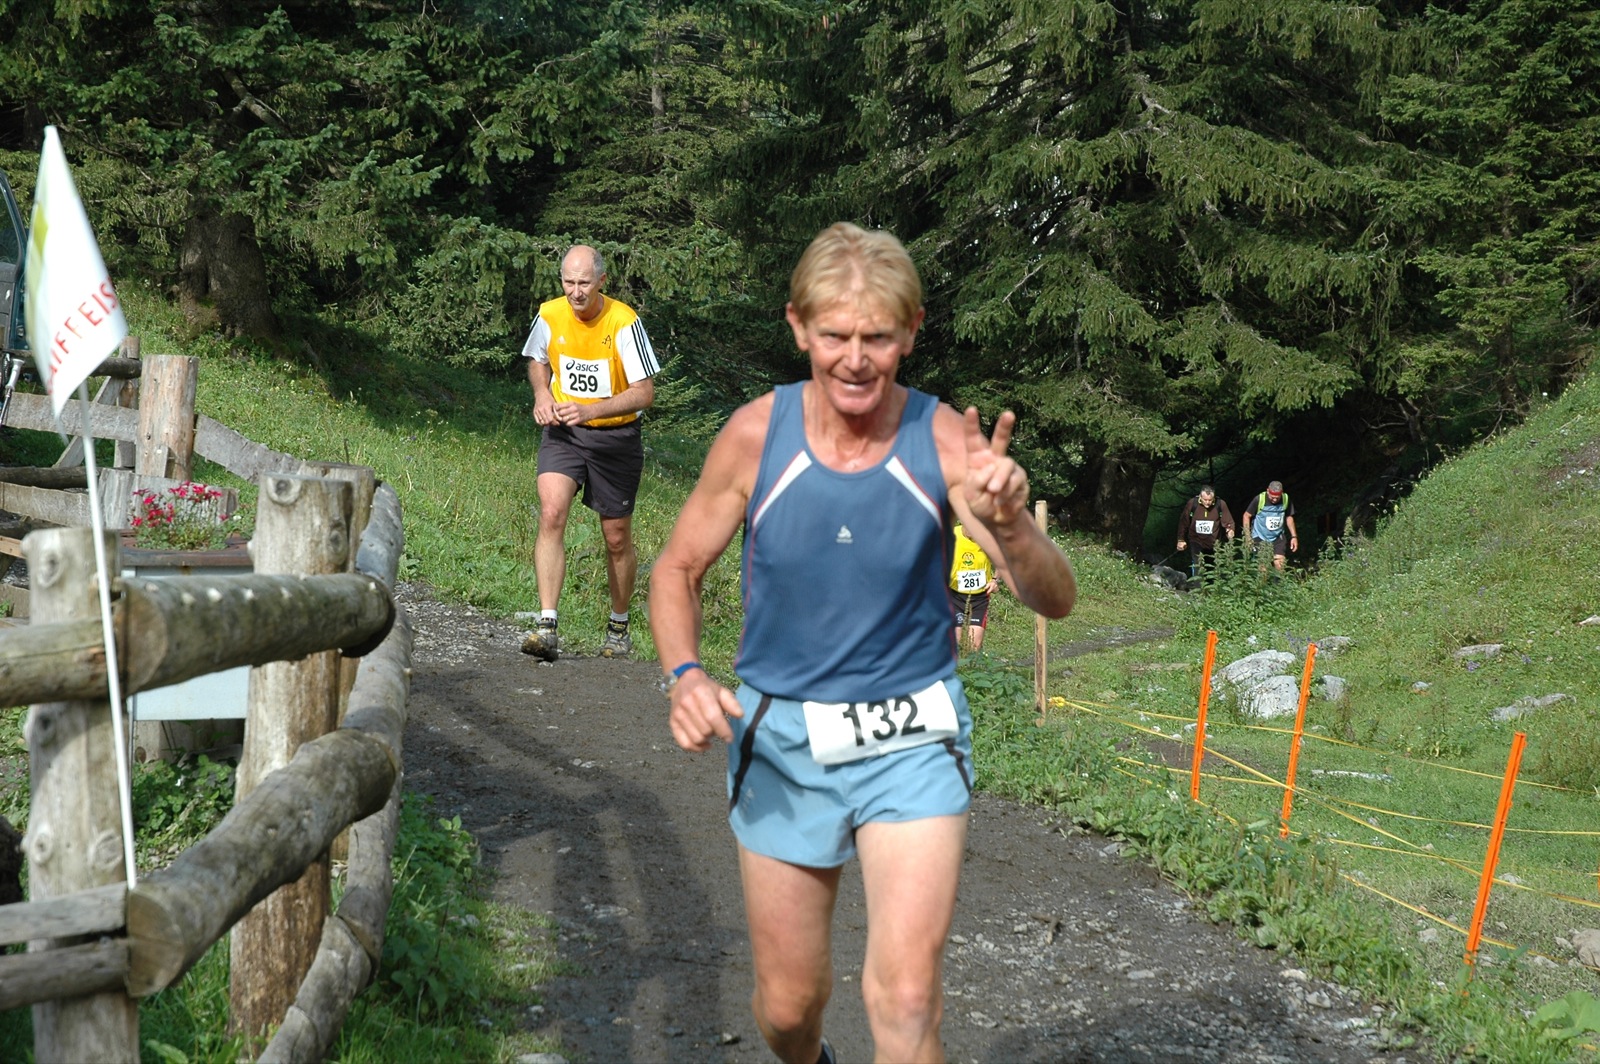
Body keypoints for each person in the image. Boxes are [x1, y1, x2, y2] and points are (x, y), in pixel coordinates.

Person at [649, 222, 1077, 1064]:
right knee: (788, 1009)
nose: (854, 360)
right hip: (783, 737)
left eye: (877, 338)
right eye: (836, 336)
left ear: (911, 332)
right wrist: (685, 675)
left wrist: (1011, 526)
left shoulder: (945, 440)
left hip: (912, 735)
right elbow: (678, 569)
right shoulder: (756, 435)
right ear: (798, 327)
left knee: (906, 997)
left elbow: (1052, 599)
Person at [520, 245, 661, 661]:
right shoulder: (550, 314)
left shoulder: (623, 322)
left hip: (615, 438)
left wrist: (591, 410)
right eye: (569, 282)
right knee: (551, 512)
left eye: (584, 283)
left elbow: (644, 393)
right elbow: (537, 358)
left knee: (616, 537)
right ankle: (547, 626)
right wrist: (542, 394)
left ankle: (618, 626)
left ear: (601, 281)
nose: (576, 292)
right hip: (564, 432)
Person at [949, 521, 1004, 653]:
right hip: (954, 596)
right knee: (954, 643)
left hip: (980, 598)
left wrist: (995, 580)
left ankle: (974, 664)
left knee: (974, 646)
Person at [1174, 485, 1235, 580]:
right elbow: (1184, 522)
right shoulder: (1192, 503)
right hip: (1196, 540)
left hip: (1214, 542)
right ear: (1200, 497)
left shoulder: (1220, 504)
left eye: (1210, 500)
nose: (1207, 502)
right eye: (1205, 500)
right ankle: (1198, 588)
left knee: (1214, 568)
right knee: (1198, 566)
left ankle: (1214, 587)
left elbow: (1228, 522)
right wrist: (1181, 539)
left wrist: (1230, 531)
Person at [1242, 480, 1298, 572]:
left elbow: (1289, 517)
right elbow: (1246, 515)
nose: (1275, 500)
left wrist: (1294, 536)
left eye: (1277, 498)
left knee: (1280, 563)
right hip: (1260, 536)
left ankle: (1279, 581)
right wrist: (1248, 537)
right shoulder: (1259, 499)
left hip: (1278, 537)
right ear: (1268, 491)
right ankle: (1264, 581)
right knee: (1263, 567)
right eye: (1272, 497)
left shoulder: (1285, 499)